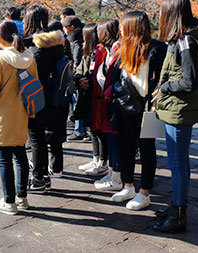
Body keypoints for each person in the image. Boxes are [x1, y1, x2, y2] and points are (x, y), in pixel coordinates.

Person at [152, 0, 198, 233]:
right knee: (179, 163)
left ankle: (178, 215)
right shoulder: (186, 38)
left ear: (171, 13)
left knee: (177, 165)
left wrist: (164, 86)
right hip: (178, 108)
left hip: (179, 109)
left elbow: (189, 81)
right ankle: (175, 207)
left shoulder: (184, 41)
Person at [0, 19, 38, 215]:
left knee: (4, 159)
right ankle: (22, 198)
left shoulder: (0, 61)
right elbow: (35, 87)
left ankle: (8, 201)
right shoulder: (29, 59)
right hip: (22, 115)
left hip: (2, 117)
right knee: (20, 156)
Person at [110, 11, 166, 211]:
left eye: (123, 25)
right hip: (125, 106)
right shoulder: (122, 48)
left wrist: (157, 100)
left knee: (147, 149)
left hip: (150, 107)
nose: (120, 29)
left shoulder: (158, 48)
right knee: (125, 147)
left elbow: (162, 77)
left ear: (134, 26)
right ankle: (128, 186)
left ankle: (145, 193)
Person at [24, 5, 69, 190]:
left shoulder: (38, 48)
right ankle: (43, 177)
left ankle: (39, 179)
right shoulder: (55, 42)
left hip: (37, 98)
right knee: (40, 138)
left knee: (36, 139)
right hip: (53, 98)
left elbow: (34, 75)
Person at [87, 19, 123, 188]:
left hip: (114, 101)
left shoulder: (118, 49)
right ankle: (112, 171)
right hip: (104, 98)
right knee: (106, 134)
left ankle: (116, 176)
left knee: (114, 138)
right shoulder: (106, 50)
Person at [62, 16, 89, 142]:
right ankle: (80, 130)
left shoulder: (77, 42)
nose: (64, 29)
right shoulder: (76, 38)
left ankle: (79, 131)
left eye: (65, 27)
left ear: (72, 27)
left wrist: (74, 78)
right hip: (77, 76)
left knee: (77, 103)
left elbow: (77, 62)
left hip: (77, 77)